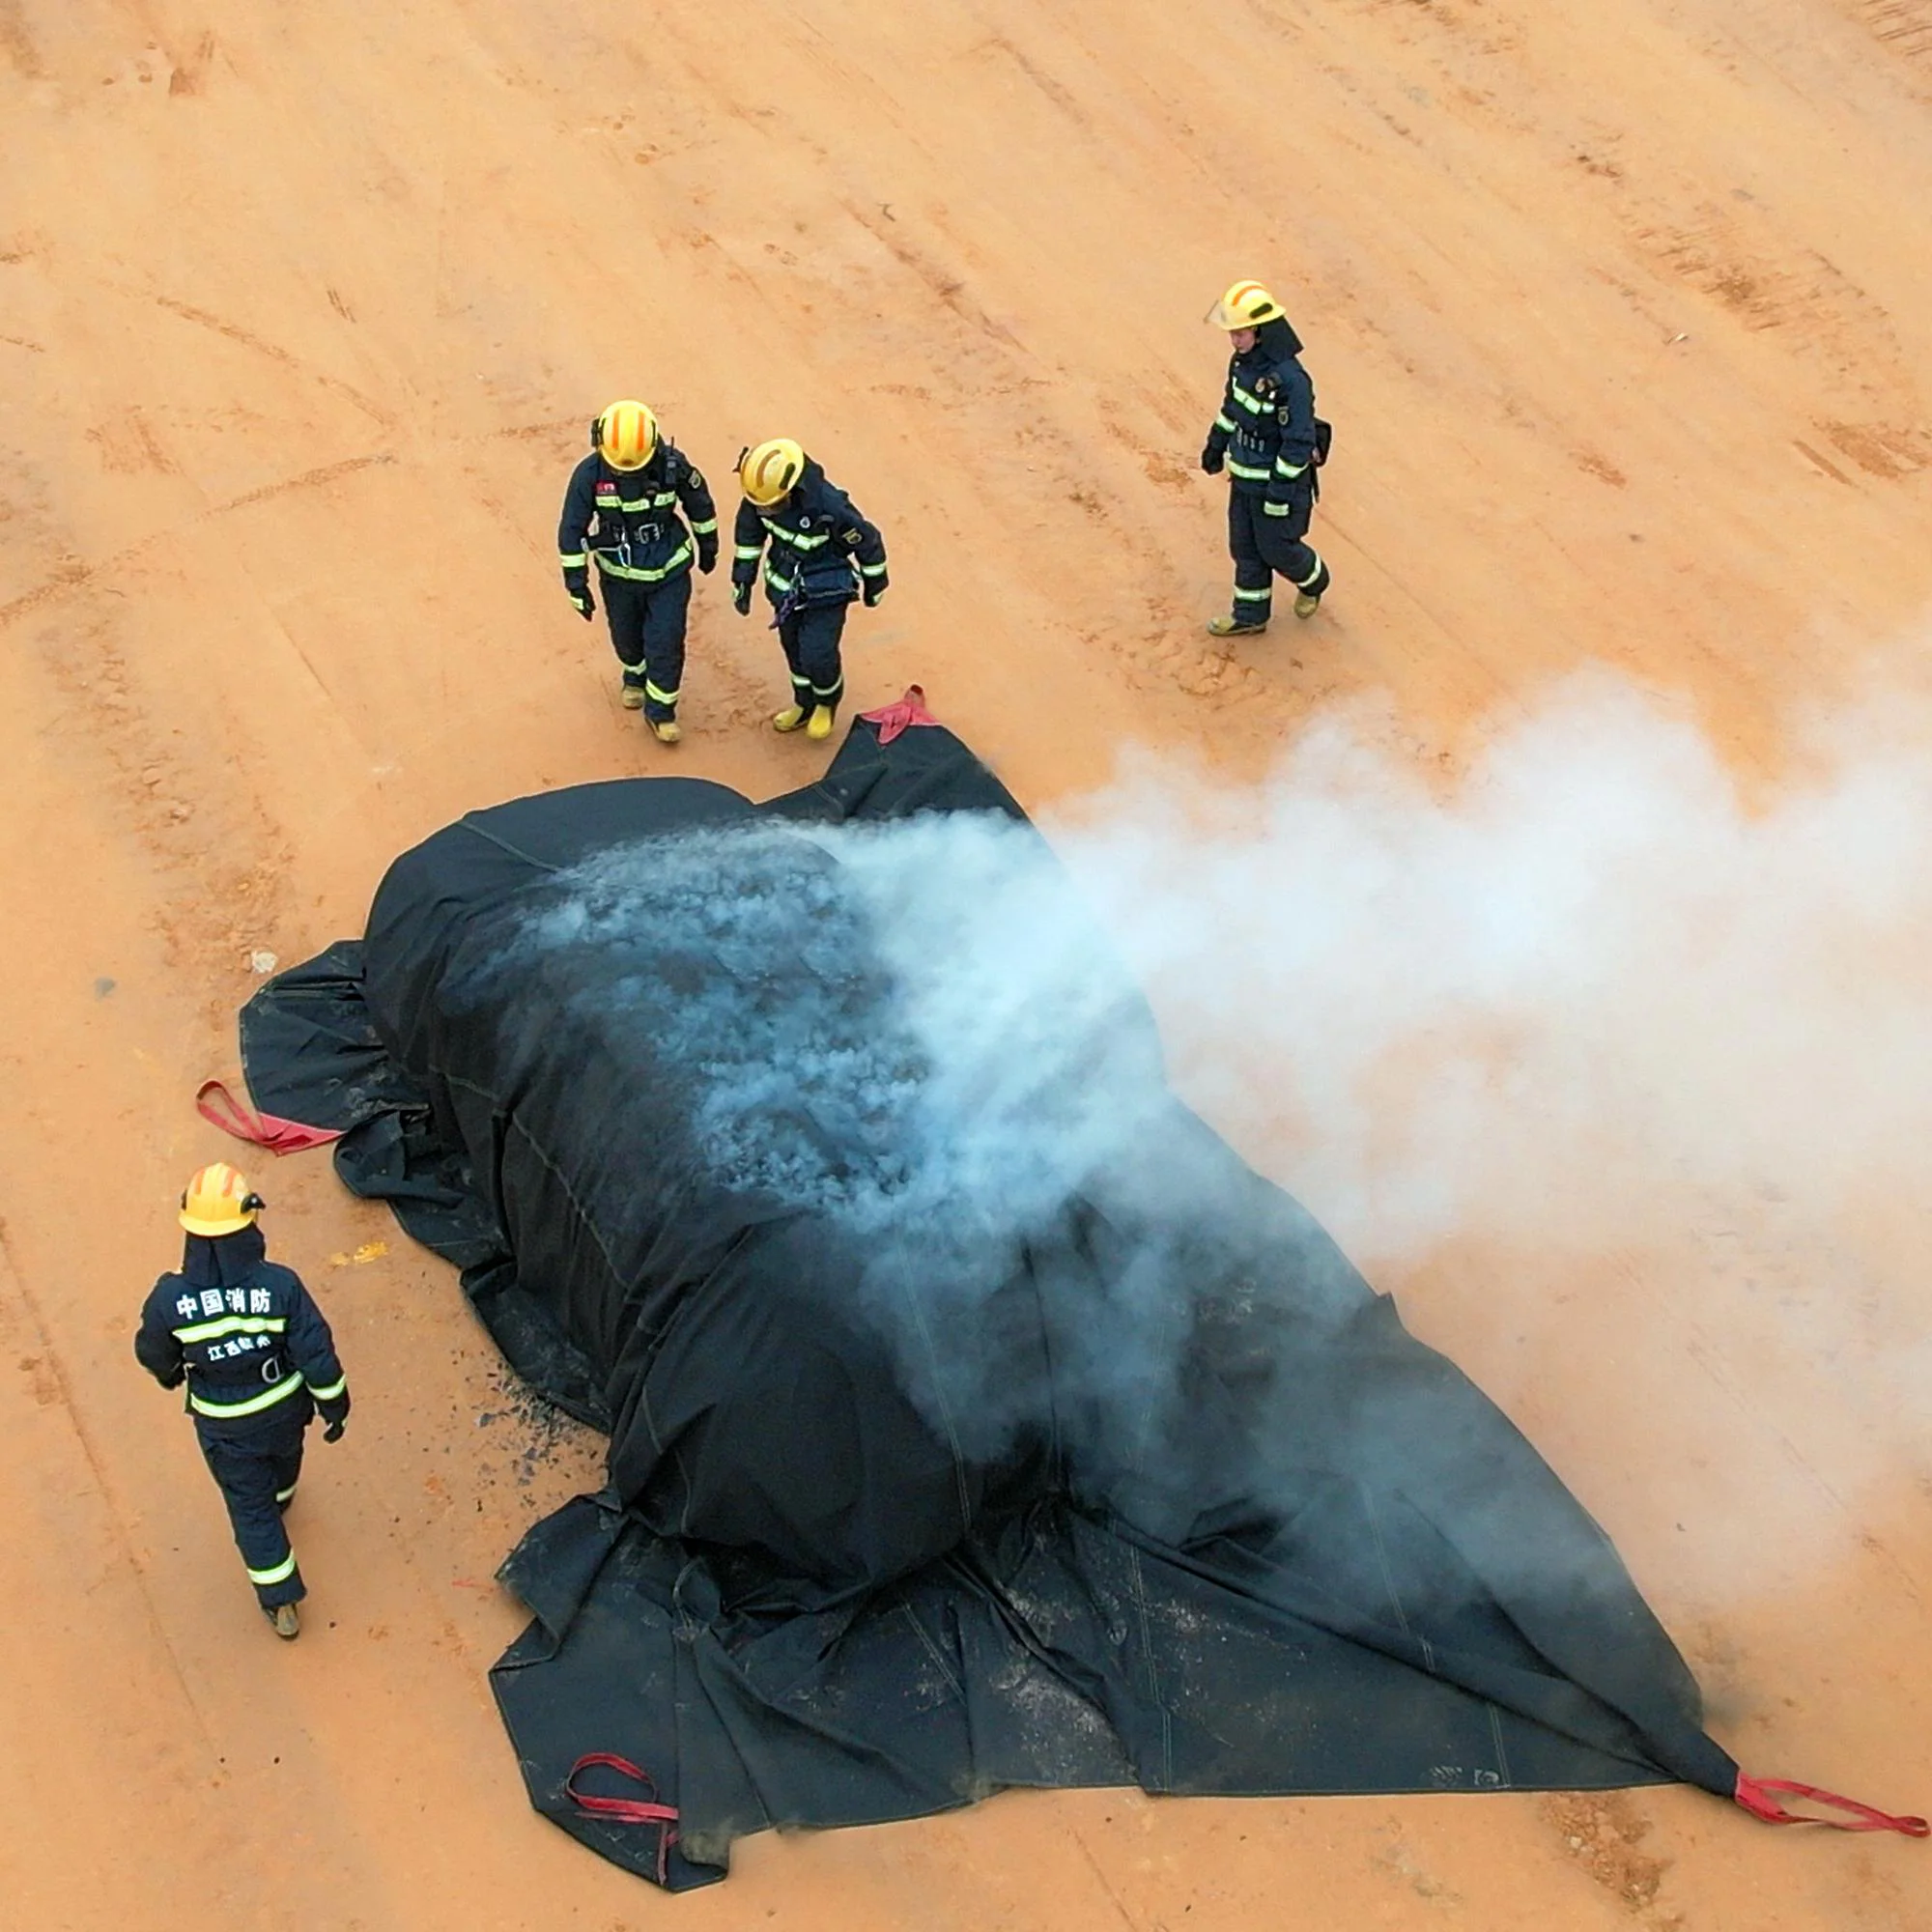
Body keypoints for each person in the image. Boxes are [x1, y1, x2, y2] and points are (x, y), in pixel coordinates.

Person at [134, 1163, 351, 1640]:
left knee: (250, 1510)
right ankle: (283, 1494)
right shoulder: (281, 1286)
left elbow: (153, 1353)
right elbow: (316, 1353)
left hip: (224, 1427)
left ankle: (281, 1602)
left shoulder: (169, 1298)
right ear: (250, 1221)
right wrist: (335, 1406)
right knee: (285, 1458)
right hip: (285, 1409)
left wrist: (172, 1376)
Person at [557, 399, 719, 745]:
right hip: (618, 574)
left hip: (669, 570)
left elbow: (700, 505)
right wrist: (576, 585)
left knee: (665, 639)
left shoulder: (673, 466)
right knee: (626, 637)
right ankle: (634, 674)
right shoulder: (588, 475)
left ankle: (661, 712)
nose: (627, 474)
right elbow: (571, 530)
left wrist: (708, 546)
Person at [729, 439, 888, 741]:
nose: (765, 511)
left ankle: (826, 701)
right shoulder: (760, 495)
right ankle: (804, 704)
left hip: (825, 592)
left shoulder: (829, 507)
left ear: (794, 490)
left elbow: (867, 542)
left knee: (818, 651)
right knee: (793, 649)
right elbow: (749, 538)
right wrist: (743, 580)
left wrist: (875, 584)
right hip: (785, 590)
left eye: (772, 505)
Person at [1199, 280, 1331, 637]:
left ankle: (1315, 579)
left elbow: (1298, 443)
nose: (1234, 340)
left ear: (1260, 330)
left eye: (1240, 333)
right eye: (1232, 333)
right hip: (1244, 477)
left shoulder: (1292, 381)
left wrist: (1279, 493)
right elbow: (1233, 407)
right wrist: (1216, 444)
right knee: (1244, 547)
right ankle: (1250, 615)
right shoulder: (1241, 364)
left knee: (1278, 549)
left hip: (1277, 486)